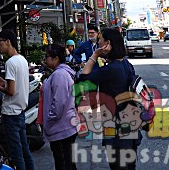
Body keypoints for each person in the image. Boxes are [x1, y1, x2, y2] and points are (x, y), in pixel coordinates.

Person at [78, 27, 142, 170]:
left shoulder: (112, 69)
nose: (98, 42)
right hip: (130, 120)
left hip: (116, 124)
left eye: (100, 39)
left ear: (107, 43)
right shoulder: (126, 64)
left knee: (119, 165)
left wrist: (94, 55)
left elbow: (83, 79)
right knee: (129, 165)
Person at [0, 29, 34, 170]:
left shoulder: (10, 63)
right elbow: (15, 85)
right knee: (25, 150)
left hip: (11, 113)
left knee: (16, 153)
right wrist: (4, 82)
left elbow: (11, 91)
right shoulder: (22, 60)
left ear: (8, 42)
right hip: (20, 112)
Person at [41, 43, 78, 170]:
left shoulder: (60, 74)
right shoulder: (60, 73)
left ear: (55, 58)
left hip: (61, 128)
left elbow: (59, 103)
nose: (45, 59)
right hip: (62, 126)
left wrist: (49, 119)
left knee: (64, 164)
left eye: (47, 56)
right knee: (66, 163)